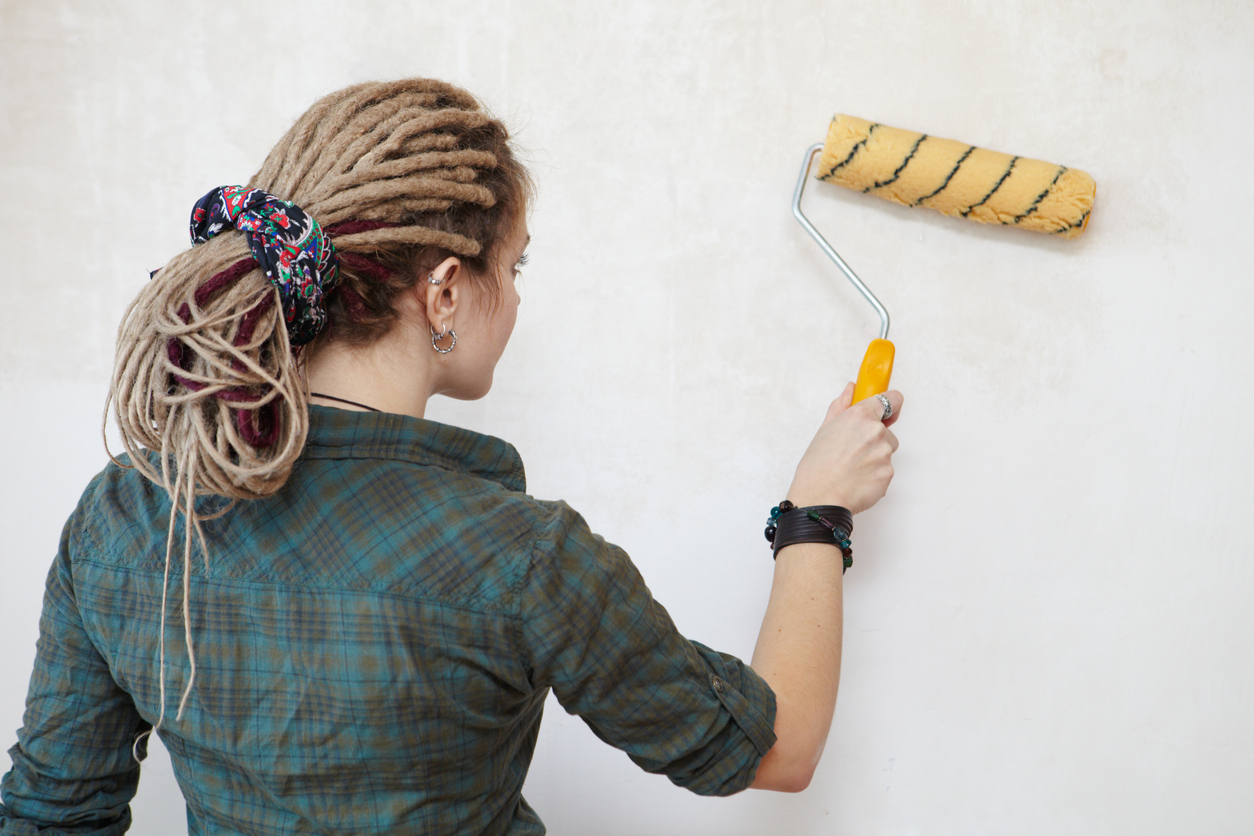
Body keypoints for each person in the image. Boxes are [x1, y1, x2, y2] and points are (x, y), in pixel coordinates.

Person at [0, 78, 902, 835]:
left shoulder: (125, 515)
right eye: (514, 268)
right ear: (443, 290)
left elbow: (51, 816)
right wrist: (817, 511)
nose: (511, 301)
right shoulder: (521, 556)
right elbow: (777, 750)